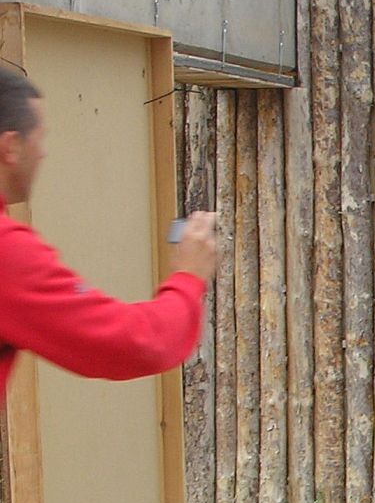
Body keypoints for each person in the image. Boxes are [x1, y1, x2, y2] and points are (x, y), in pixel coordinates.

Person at [0, 66, 216, 405]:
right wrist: (188, 279)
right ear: (11, 146)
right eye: (39, 139)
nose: (43, 153)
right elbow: (133, 344)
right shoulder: (7, 252)